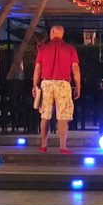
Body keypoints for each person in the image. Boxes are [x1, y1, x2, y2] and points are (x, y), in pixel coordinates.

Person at [32, 25, 80, 153]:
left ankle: (43, 144)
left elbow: (37, 68)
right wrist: (78, 86)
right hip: (63, 84)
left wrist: (35, 85)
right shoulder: (70, 49)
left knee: (45, 115)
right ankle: (62, 146)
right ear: (62, 34)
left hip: (46, 83)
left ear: (52, 33)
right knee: (63, 116)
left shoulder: (43, 48)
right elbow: (75, 69)